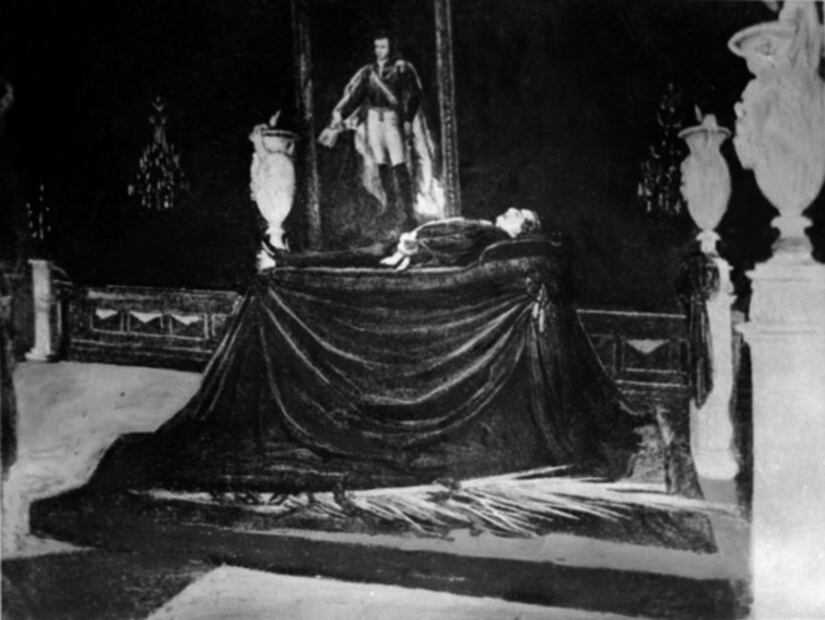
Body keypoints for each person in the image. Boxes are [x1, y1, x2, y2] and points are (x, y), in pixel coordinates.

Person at [319, 32, 444, 242]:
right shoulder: (369, 72)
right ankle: (392, 207)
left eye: (384, 47)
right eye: (377, 47)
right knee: (382, 164)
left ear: (391, 48)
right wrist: (341, 116)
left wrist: (407, 118)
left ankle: (408, 213)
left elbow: (414, 94)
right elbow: (356, 97)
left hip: (392, 118)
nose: (380, 51)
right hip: (373, 120)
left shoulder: (401, 69)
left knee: (399, 164)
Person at [380, 207, 542, 271]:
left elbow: (458, 242)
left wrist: (417, 243)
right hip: (418, 245)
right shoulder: (491, 230)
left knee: (377, 252)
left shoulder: (493, 233)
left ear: (520, 230)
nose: (511, 210)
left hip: (419, 252)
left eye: (518, 215)